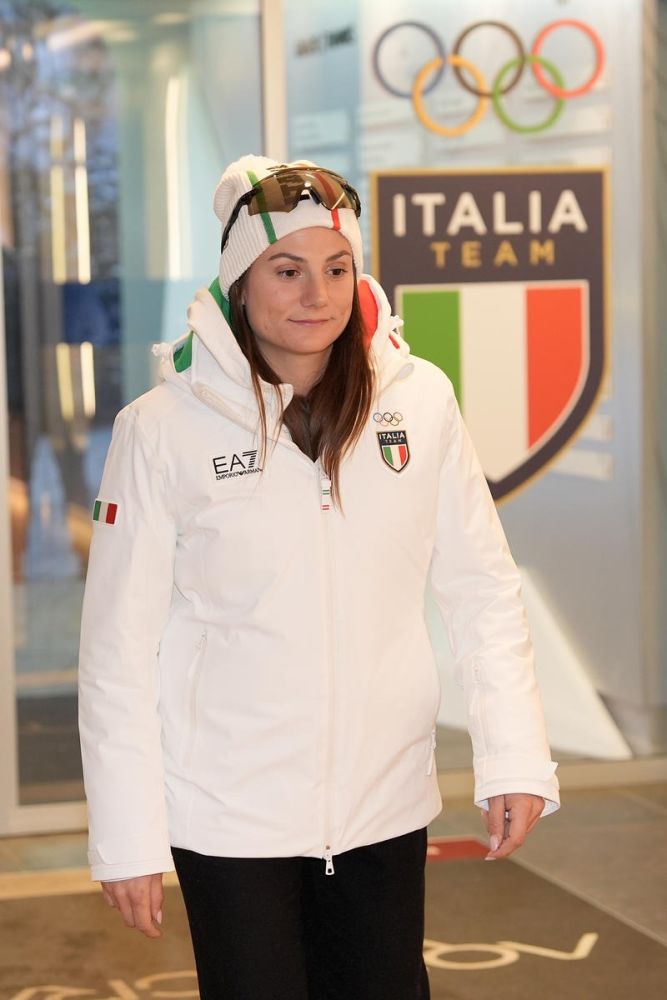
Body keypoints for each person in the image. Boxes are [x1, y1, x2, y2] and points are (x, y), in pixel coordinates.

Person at [78, 155, 560, 1000]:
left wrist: (514, 757)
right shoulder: (161, 429)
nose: (317, 294)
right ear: (239, 284)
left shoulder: (419, 402)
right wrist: (126, 835)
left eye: (337, 268)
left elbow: (482, 589)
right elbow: (117, 647)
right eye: (287, 270)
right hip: (227, 812)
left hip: (384, 800)